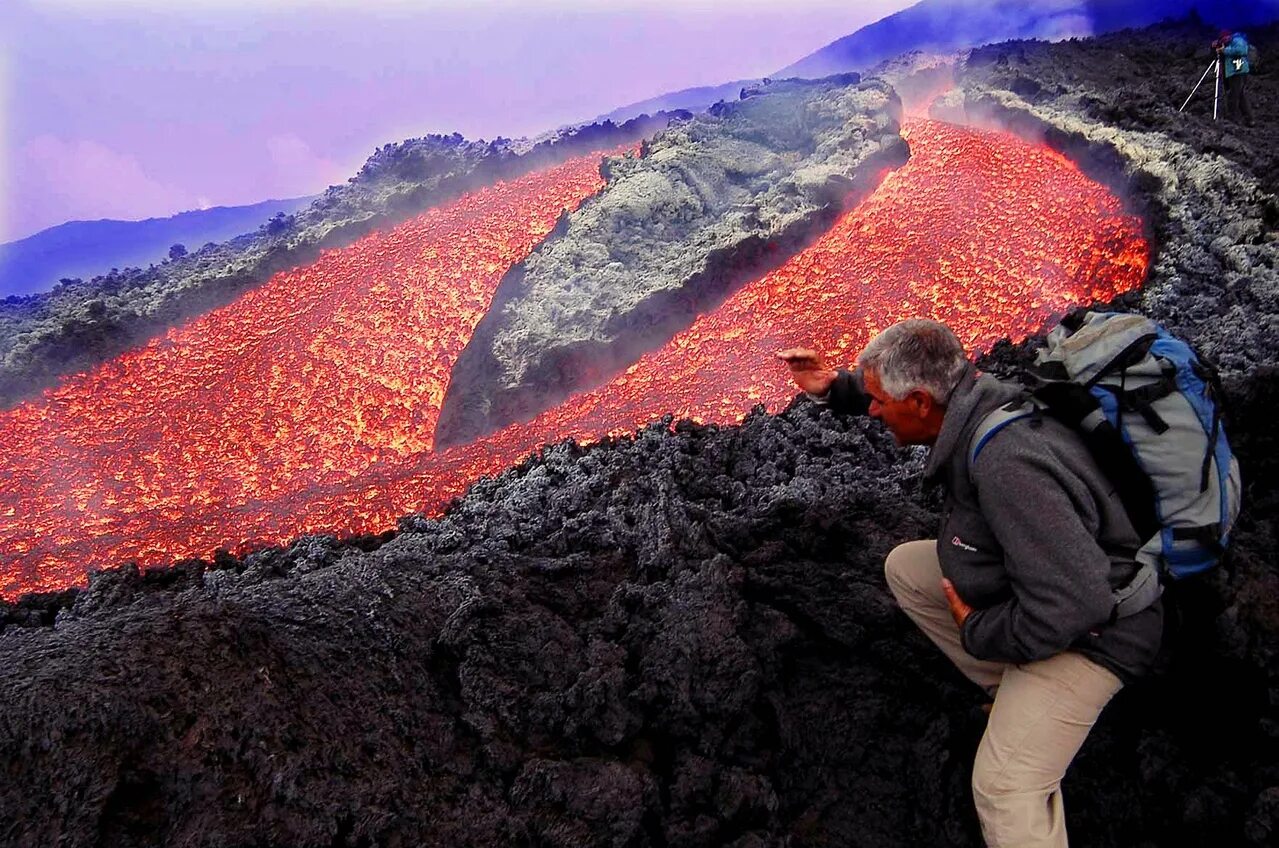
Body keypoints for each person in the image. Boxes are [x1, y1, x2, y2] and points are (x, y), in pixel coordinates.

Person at [777, 319, 1163, 848]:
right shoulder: (980, 400)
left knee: (1004, 789)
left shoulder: (1008, 466)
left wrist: (980, 631)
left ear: (917, 402)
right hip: (1046, 596)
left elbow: (1078, 601)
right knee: (909, 570)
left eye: (877, 401)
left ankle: (1034, 702)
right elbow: (899, 396)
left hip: (1100, 637)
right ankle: (1015, 693)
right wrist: (836, 388)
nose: (872, 411)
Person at [1216, 29, 1255, 127]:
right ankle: (1249, 119)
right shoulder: (1229, 43)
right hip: (1234, 72)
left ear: (1228, 36)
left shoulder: (1237, 40)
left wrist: (1224, 50)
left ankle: (1232, 117)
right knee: (1240, 95)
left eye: (1224, 39)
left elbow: (1242, 50)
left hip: (1238, 71)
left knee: (1234, 95)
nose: (1223, 41)